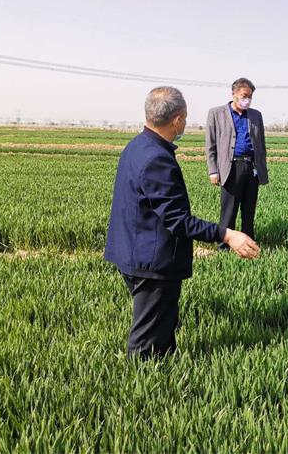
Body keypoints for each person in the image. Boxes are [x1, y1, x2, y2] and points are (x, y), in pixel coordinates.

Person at [105, 86, 259, 359]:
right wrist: (227, 234)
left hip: (133, 251)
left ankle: (166, 373)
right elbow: (178, 221)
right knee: (145, 346)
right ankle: (140, 391)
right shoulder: (157, 158)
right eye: (185, 118)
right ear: (177, 120)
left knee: (162, 330)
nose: (185, 123)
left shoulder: (136, 146)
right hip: (152, 262)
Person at [205, 78, 269, 250]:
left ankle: (248, 244)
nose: (246, 99)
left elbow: (261, 144)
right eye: (243, 95)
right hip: (231, 167)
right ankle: (224, 246)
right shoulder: (216, 113)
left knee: (249, 211)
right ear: (234, 94)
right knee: (229, 211)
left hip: (251, 167)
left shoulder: (256, 115)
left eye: (250, 97)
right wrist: (213, 170)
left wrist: (262, 169)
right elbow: (210, 144)